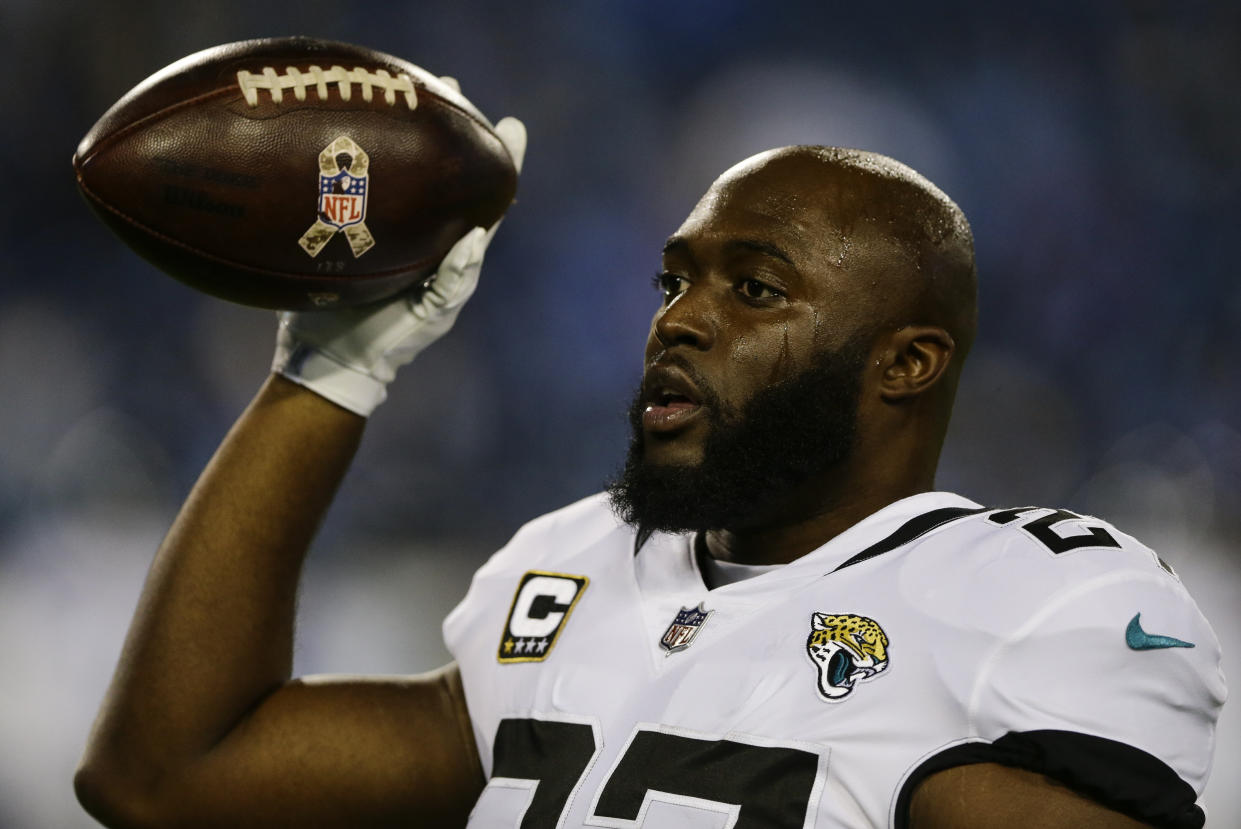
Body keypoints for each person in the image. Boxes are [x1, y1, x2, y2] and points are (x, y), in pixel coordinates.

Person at [74, 97, 1224, 829]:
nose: (678, 319)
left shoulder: (1036, 600)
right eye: (673, 278)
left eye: (754, 289)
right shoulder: (573, 568)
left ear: (906, 363)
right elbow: (167, 774)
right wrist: (326, 376)